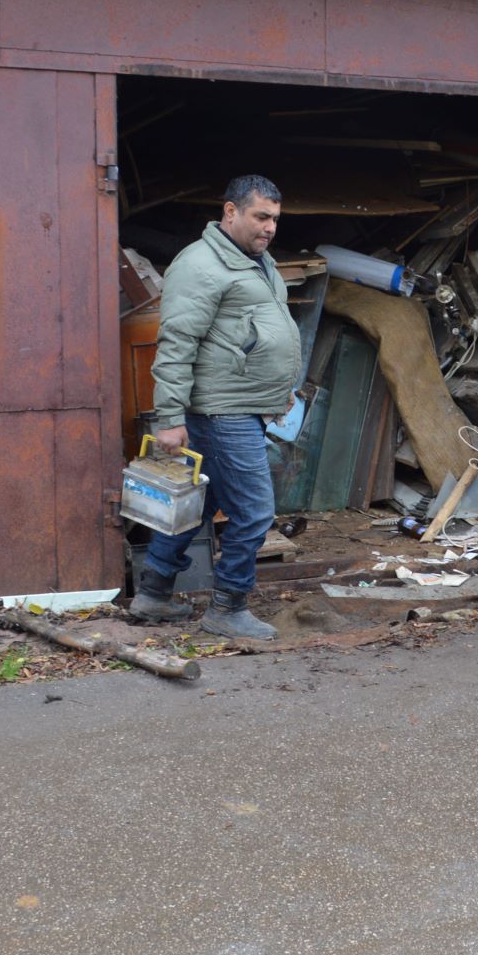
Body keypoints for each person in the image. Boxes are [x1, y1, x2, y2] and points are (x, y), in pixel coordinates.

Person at [134, 174, 302, 640]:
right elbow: (176, 345)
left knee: (198, 505)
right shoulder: (202, 265)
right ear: (230, 212)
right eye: (260, 217)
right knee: (253, 513)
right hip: (220, 412)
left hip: (243, 404)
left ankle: (152, 593)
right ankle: (227, 608)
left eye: (274, 219)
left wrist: (279, 388)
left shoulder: (255, 261)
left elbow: (255, 331)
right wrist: (169, 419)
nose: (269, 228)